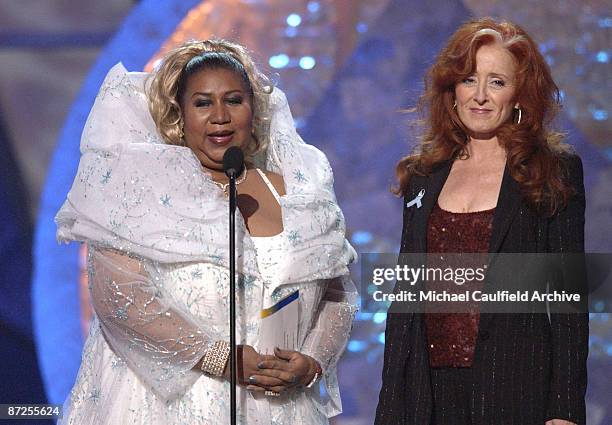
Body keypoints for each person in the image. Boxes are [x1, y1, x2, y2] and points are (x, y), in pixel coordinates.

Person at [56, 39, 358, 425]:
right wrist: (220, 359)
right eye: (203, 103)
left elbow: (336, 293)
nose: (220, 117)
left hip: (279, 405)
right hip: (170, 404)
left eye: (234, 100)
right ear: (179, 114)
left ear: (254, 109)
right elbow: (121, 299)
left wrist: (312, 361)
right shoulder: (140, 189)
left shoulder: (299, 192)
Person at [375, 18, 588, 425]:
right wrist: (390, 409)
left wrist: (564, 410)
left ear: (519, 94)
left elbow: (568, 303)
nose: (480, 97)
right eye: (469, 80)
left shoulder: (551, 171)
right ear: (452, 89)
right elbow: (405, 302)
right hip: (426, 396)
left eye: (497, 82)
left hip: (515, 391)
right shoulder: (425, 173)